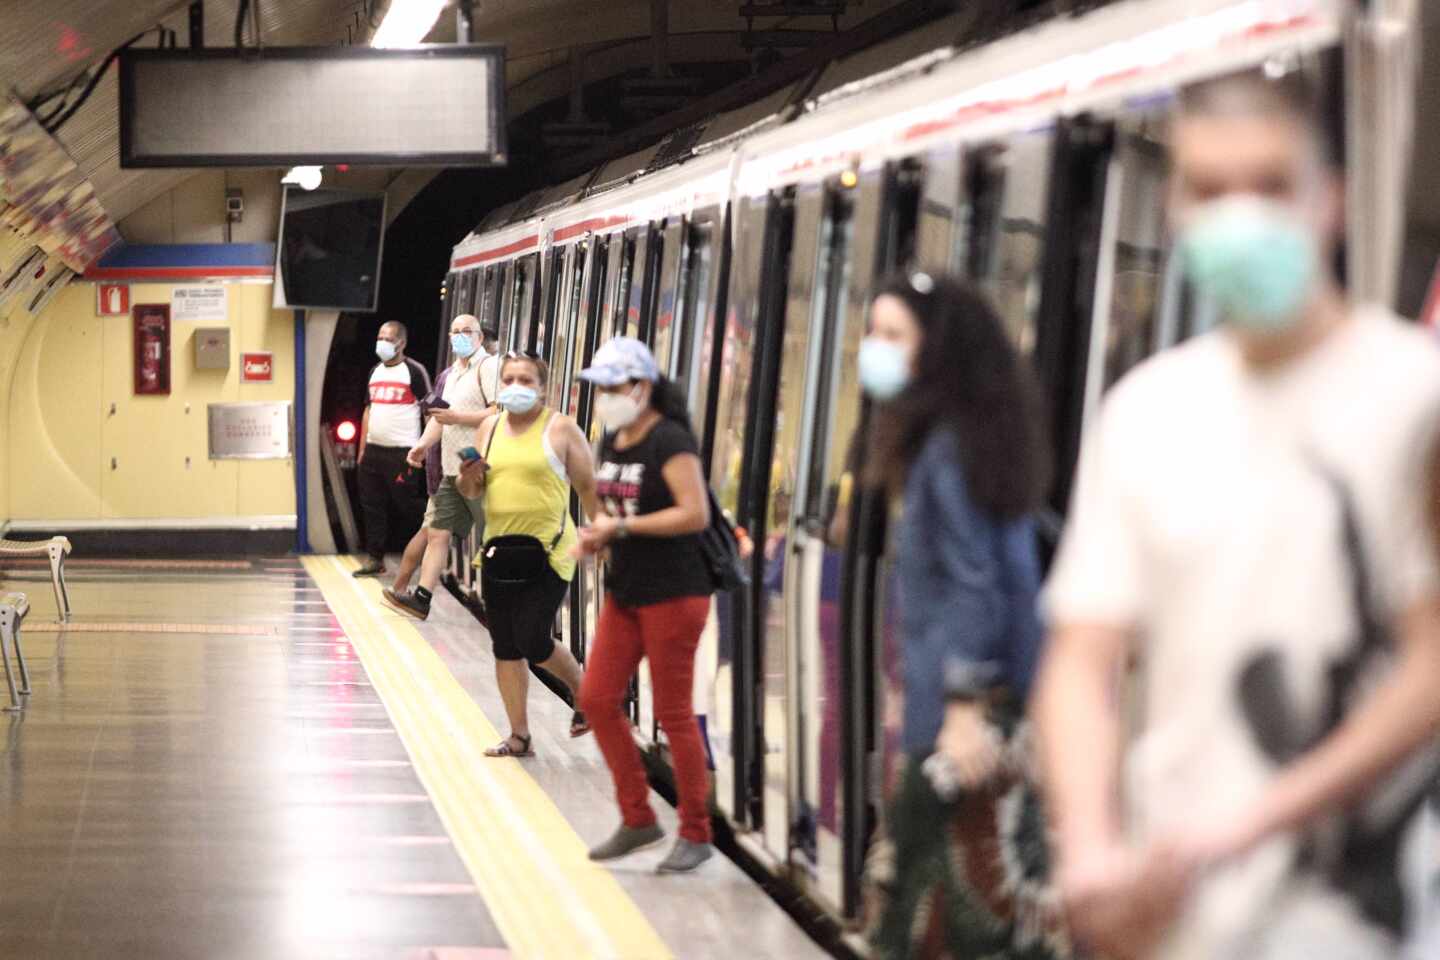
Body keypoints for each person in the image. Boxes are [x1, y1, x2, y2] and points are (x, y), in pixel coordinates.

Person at [1032, 68, 1440, 960]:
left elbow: (1432, 662)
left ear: (1327, 201)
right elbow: (1081, 659)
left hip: (1374, 918)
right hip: (1179, 912)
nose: (1240, 216)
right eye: (1211, 191)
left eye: (1268, 185)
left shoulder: (1417, 397)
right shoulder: (1146, 412)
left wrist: (1251, 824)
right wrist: (1092, 846)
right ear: (1174, 208)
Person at [856, 273, 1068, 959]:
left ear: (937, 350)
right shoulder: (970, 438)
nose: (875, 350)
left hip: (960, 719)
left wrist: (964, 706)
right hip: (971, 704)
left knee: (922, 905)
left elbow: (974, 584)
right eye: (872, 333)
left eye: (893, 335)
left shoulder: (945, 447)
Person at [573, 337, 716, 875]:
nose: (605, 397)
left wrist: (623, 526)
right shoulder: (614, 436)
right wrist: (599, 537)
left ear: (642, 386)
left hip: (675, 591)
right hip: (627, 587)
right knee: (597, 696)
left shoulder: (670, 440)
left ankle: (696, 832)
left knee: (673, 714)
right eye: (601, 388)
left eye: (613, 387)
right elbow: (614, 505)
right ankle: (638, 817)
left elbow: (694, 513)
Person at [455, 352, 598, 756]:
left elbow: (588, 488)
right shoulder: (488, 428)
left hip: (552, 550)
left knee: (533, 637)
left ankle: (585, 690)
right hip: (500, 550)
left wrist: (602, 536)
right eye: (510, 379)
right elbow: (473, 492)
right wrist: (470, 478)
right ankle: (519, 736)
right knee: (505, 644)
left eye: (526, 380)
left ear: (543, 388)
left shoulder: (562, 429)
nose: (516, 386)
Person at [381, 315, 495, 620]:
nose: (459, 336)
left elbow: (499, 410)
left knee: (493, 536)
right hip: (450, 466)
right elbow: (440, 417)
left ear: (479, 337)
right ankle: (422, 598)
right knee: (437, 534)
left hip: (478, 464)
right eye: (454, 332)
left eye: (466, 332)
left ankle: (503, 601)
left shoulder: (488, 367)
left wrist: (458, 418)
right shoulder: (452, 374)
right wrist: (421, 445)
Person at [353, 321, 431, 578]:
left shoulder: (414, 371)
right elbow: (368, 410)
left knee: (406, 504)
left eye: (388, 338)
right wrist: (362, 448)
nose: (382, 342)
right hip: (374, 452)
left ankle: (434, 541)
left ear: (402, 343)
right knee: (371, 505)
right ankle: (375, 558)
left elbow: (430, 409)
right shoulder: (375, 371)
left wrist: (426, 448)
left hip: (403, 452)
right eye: (380, 337)